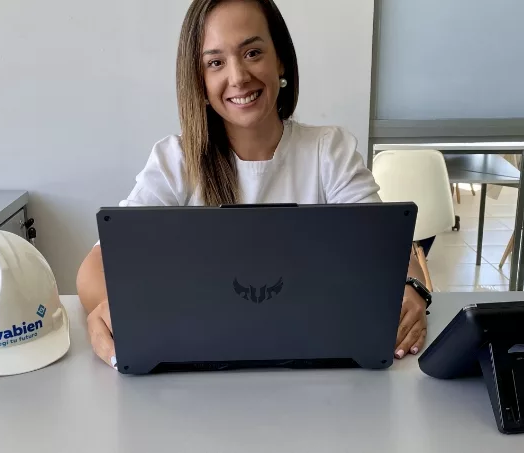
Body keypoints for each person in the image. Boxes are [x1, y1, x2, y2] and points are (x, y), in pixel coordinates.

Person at [76, 0, 430, 369]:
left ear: (281, 61)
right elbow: (95, 266)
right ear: (199, 80)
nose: (238, 77)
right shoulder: (176, 160)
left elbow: (387, 248)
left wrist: (412, 289)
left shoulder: (329, 150)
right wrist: (108, 308)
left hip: (318, 372)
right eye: (215, 62)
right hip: (198, 377)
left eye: (252, 53)